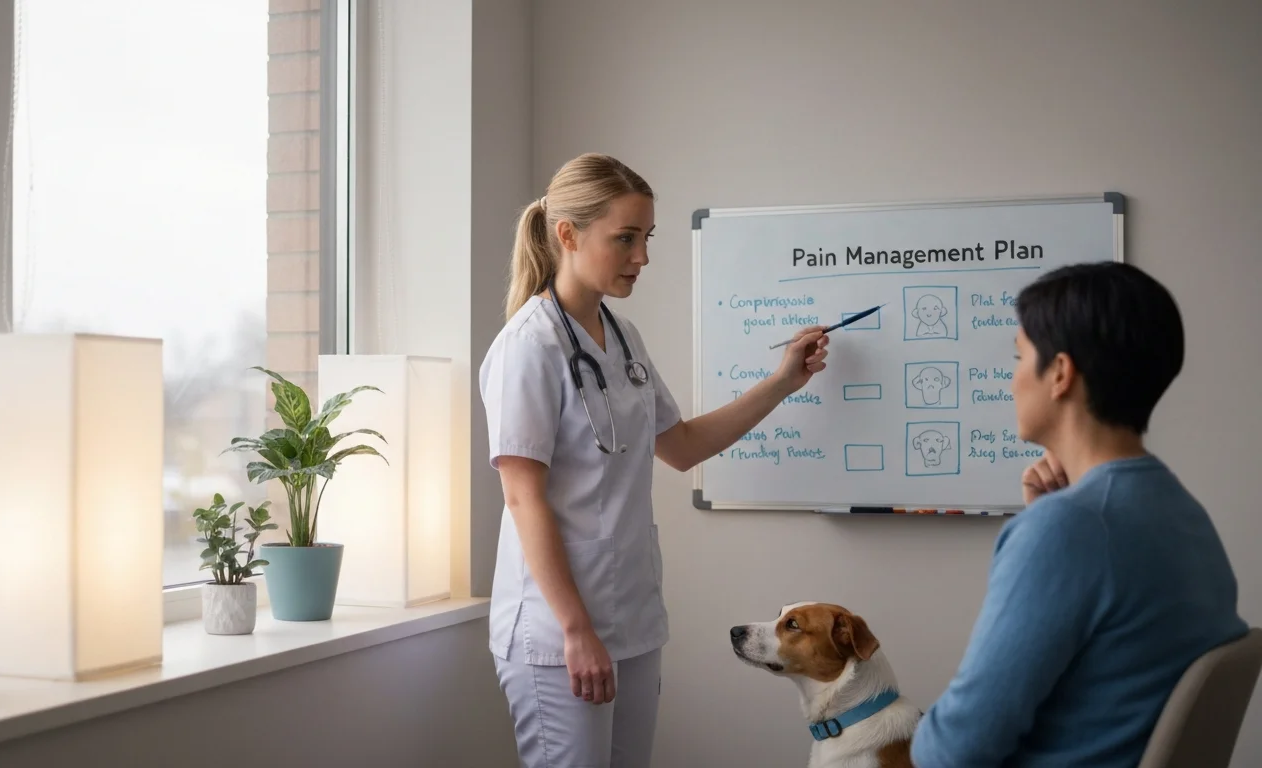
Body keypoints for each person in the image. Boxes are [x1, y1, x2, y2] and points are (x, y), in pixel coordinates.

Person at [478, 153, 830, 767]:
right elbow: (522, 497)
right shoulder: (526, 348)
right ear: (568, 235)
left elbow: (684, 445)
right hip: (560, 629)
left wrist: (783, 382)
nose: (642, 257)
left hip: (631, 616)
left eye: (646, 238)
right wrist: (575, 629)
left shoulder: (622, 337)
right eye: (626, 239)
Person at [911, 262, 1248, 767]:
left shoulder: (1069, 530)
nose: (1011, 380)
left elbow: (952, 753)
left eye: (1018, 357)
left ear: (1061, 374)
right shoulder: (1181, 513)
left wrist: (1049, 529)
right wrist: (1053, 521)